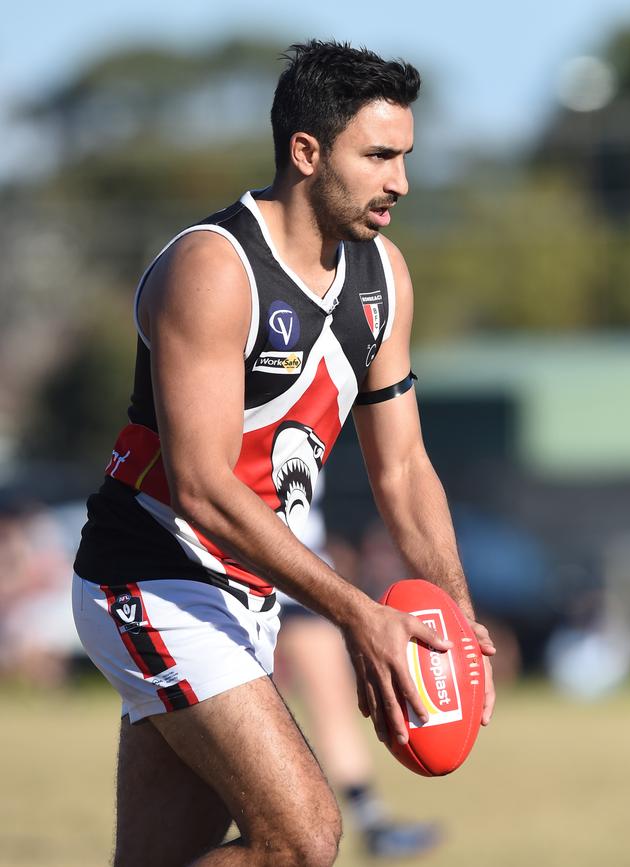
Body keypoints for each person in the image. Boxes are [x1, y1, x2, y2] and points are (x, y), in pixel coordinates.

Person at [72, 40, 496, 867]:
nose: (400, 181)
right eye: (378, 156)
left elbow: (402, 469)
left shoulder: (383, 277)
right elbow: (200, 486)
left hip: (246, 596)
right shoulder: (214, 267)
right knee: (302, 839)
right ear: (306, 152)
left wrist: (457, 613)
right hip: (151, 575)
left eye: (405, 157)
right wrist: (356, 612)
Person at [274, 480, 441, 859]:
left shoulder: (320, 422)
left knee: (335, 705)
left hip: (303, 575)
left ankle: (372, 823)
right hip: (224, 570)